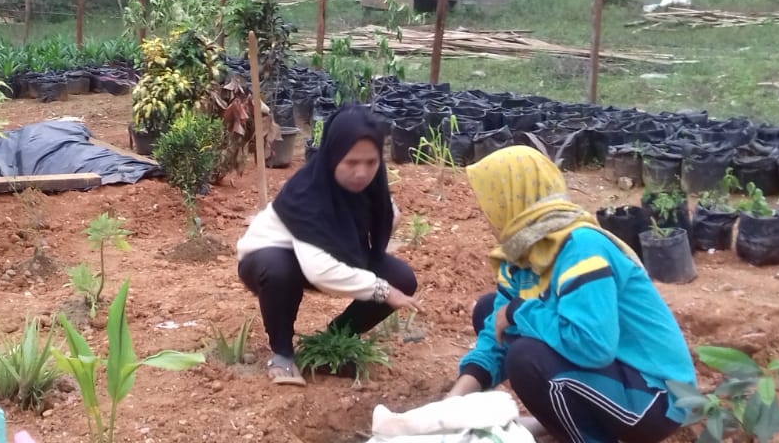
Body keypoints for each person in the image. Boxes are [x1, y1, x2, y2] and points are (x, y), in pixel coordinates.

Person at [444, 146, 697, 443]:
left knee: (526, 356)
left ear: (511, 201)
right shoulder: (523, 253)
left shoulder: (581, 248)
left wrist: (517, 312)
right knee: (491, 311)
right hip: (616, 375)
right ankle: (558, 423)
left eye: (489, 205)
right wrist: (452, 402)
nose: (486, 216)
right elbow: (495, 335)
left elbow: (593, 346)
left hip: (657, 396)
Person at [237, 106, 424, 385]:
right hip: (270, 259)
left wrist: (385, 221)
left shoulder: (371, 183)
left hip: (328, 253)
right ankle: (282, 353)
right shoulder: (307, 194)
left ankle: (333, 340)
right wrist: (383, 290)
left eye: (371, 162)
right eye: (351, 162)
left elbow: (388, 214)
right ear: (333, 156)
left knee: (401, 277)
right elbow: (320, 270)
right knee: (279, 269)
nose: (362, 173)